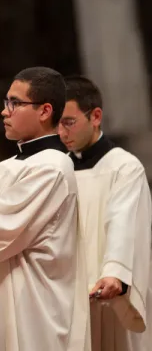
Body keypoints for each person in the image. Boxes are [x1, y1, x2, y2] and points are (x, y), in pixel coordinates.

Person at [0, 67, 90, 350]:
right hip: (7, 293)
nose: (5, 112)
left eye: (14, 103)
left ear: (44, 111)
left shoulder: (51, 167)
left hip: (33, 306)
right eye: (6, 103)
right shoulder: (13, 165)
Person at [58, 75, 152, 351]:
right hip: (69, 297)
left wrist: (115, 272)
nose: (62, 133)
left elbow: (124, 222)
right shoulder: (58, 169)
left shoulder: (123, 167)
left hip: (107, 294)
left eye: (69, 122)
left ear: (96, 116)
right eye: (58, 124)